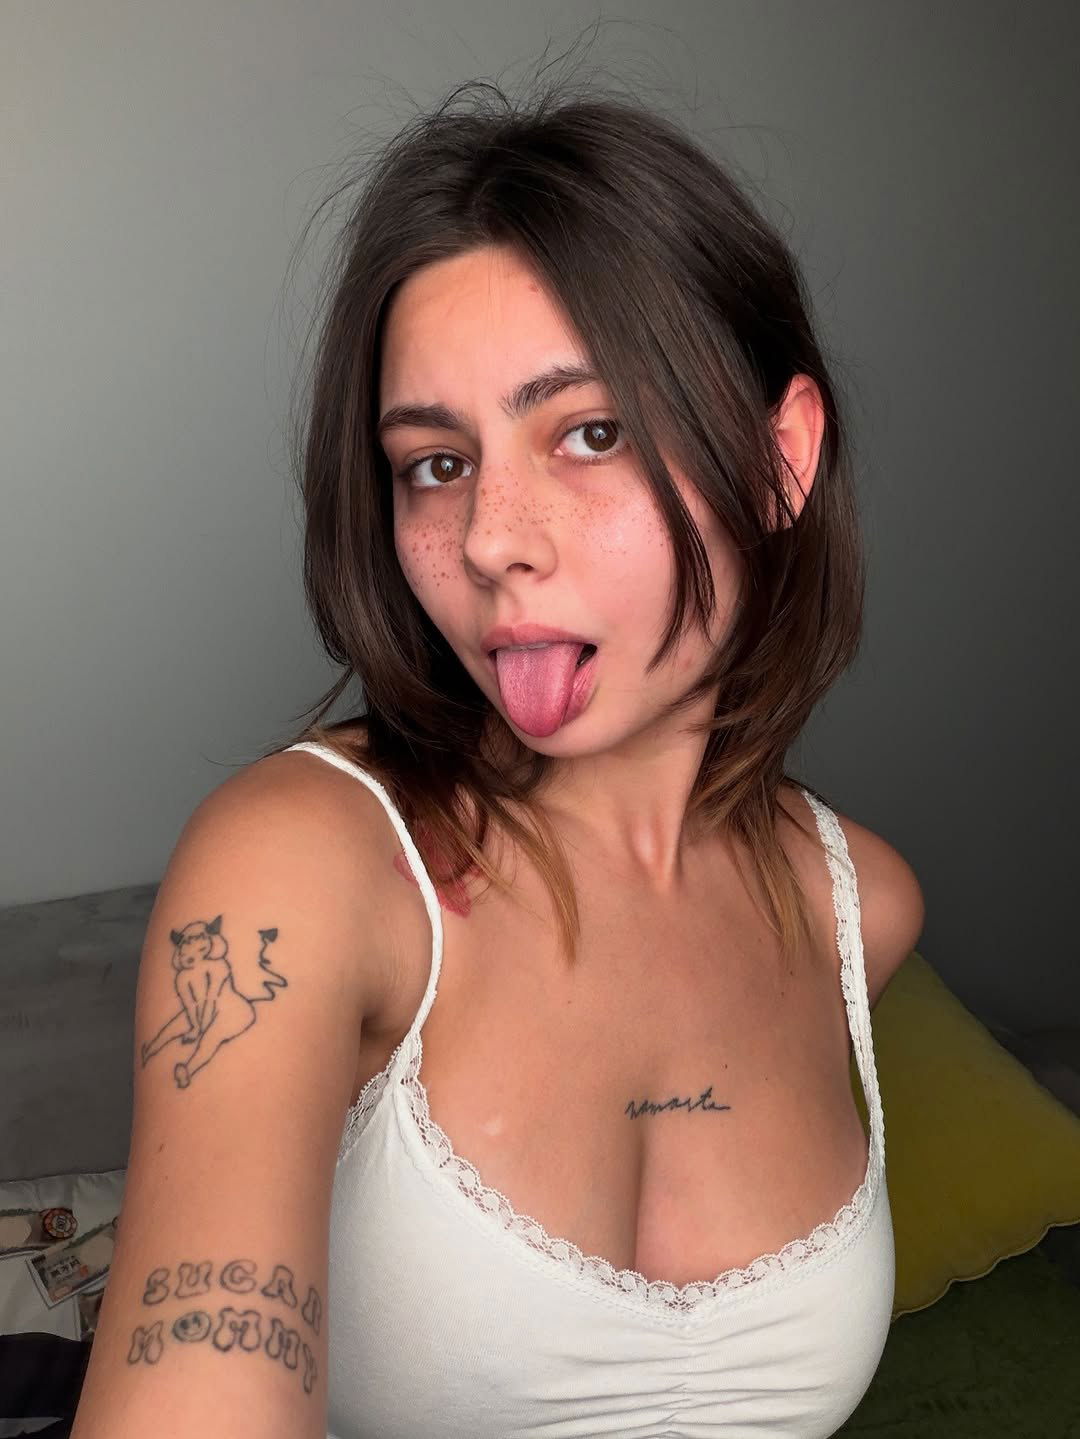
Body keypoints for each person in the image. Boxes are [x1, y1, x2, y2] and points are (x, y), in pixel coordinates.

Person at [72, 67, 924, 1439]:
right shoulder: (299, 870)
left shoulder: (859, 908)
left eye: (590, 433)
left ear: (781, 461)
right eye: (437, 463)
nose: (488, 541)